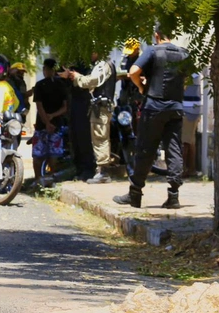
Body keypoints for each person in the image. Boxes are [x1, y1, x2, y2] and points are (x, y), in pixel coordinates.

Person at [114, 26, 190, 209]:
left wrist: (141, 87)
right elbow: (185, 80)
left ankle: (135, 193)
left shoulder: (153, 51)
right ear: (170, 36)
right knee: (174, 149)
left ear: (156, 36)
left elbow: (133, 72)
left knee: (145, 149)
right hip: (175, 108)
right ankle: (173, 196)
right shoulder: (183, 54)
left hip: (154, 106)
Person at [59, 50, 116, 184]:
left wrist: (76, 77)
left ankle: (103, 172)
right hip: (98, 108)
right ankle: (99, 171)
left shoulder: (104, 65)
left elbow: (92, 81)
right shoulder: (102, 64)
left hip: (101, 108)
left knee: (100, 139)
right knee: (97, 139)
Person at [30, 59, 69, 186]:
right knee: (54, 154)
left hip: (42, 125)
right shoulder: (61, 85)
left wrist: (46, 122)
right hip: (57, 124)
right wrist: (53, 116)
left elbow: (39, 107)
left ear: (47, 69)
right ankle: (52, 178)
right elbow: (65, 107)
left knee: (38, 154)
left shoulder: (40, 85)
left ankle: (38, 179)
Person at [66, 62, 97, 181]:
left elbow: (87, 82)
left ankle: (88, 169)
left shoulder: (89, 67)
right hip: (74, 104)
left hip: (84, 105)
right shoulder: (71, 61)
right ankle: (79, 168)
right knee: (75, 138)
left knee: (84, 138)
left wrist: (74, 76)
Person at [182, 73, 202, 178]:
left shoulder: (189, 75)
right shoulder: (196, 74)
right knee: (191, 141)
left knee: (185, 141)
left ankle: (183, 169)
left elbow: (182, 87)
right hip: (195, 109)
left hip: (187, 110)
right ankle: (191, 169)